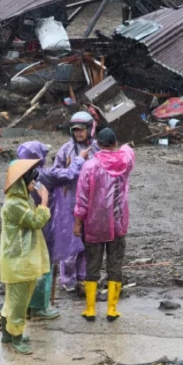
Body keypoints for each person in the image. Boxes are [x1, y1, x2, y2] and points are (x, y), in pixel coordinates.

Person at [16, 140, 91, 319]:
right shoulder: (45, 176)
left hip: (24, 225)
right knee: (44, 267)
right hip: (45, 226)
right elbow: (71, 174)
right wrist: (79, 159)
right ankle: (39, 307)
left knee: (29, 265)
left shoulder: (17, 177)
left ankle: (25, 305)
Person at [74, 128, 135, 322]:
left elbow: (82, 199)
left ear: (97, 144)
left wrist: (78, 223)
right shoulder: (125, 161)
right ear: (115, 143)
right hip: (118, 223)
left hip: (95, 223)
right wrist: (123, 146)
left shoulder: (89, 166)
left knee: (93, 265)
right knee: (115, 265)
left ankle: (91, 309)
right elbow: (129, 150)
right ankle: (111, 309)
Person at [0, 159, 51, 354]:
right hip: (18, 262)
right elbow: (37, 221)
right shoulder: (15, 205)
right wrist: (44, 202)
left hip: (18, 260)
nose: (34, 185)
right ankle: (17, 339)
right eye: (31, 181)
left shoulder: (21, 201)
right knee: (19, 302)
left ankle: (7, 334)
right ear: (21, 182)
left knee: (12, 300)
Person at [52, 111, 98, 294]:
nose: (79, 133)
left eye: (82, 130)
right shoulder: (66, 149)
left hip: (91, 203)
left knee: (87, 242)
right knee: (71, 242)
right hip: (70, 201)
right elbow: (56, 172)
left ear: (90, 130)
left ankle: (83, 276)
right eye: (75, 130)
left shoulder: (97, 149)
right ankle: (68, 280)